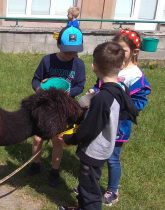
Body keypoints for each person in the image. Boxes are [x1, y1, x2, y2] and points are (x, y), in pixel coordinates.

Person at [57, 42, 139, 210]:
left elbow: (89, 129)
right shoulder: (119, 89)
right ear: (122, 65)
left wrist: (69, 139)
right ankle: (81, 206)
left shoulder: (102, 99)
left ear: (94, 67)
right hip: (105, 147)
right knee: (86, 183)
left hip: (94, 150)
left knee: (90, 190)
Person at [83, 29, 151, 206]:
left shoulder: (135, 76)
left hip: (118, 126)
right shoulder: (112, 66)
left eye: (123, 50)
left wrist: (118, 106)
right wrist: (95, 91)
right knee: (95, 152)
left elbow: (139, 102)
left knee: (113, 158)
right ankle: (90, 184)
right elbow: (101, 84)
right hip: (101, 121)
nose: (118, 54)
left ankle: (113, 190)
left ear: (134, 52)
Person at [26, 26, 86, 187]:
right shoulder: (47, 60)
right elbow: (36, 79)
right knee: (38, 137)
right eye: (67, 51)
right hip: (45, 106)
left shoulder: (79, 65)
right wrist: (39, 89)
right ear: (58, 45)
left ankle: (54, 171)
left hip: (63, 108)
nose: (71, 55)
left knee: (57, 139)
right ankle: (35, 164)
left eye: (74, 52)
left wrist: (69, 92)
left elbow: (80, 86)